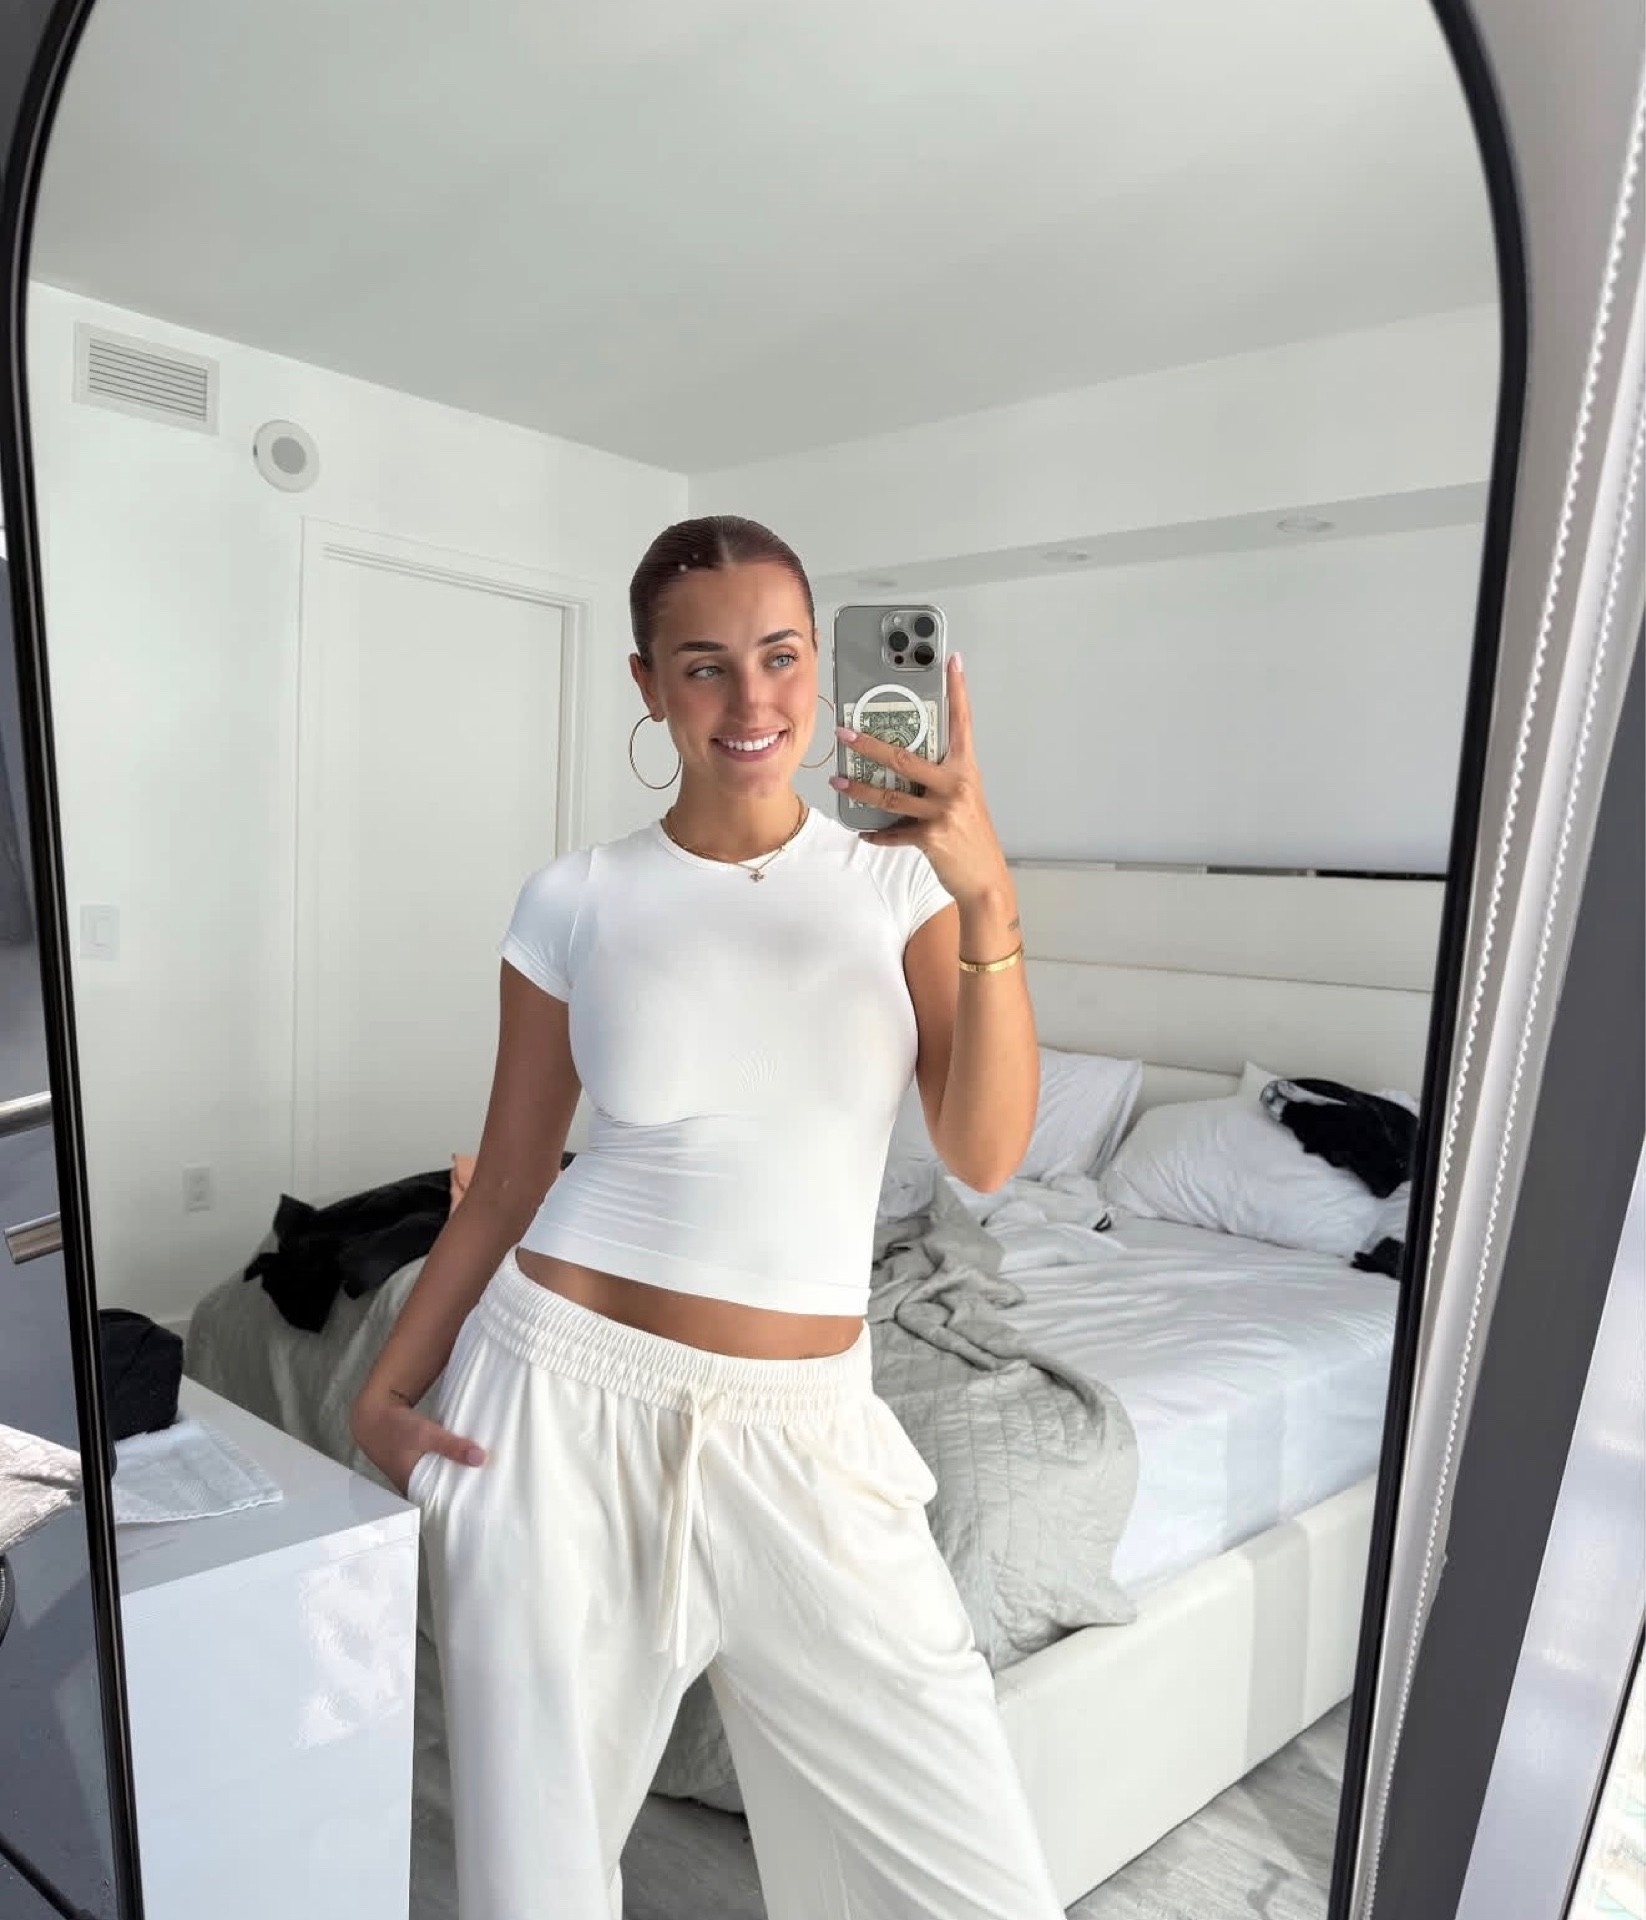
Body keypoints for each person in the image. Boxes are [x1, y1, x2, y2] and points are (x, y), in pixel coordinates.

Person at [351, 515, 1059, 1919]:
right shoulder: (575, 899)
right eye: (705, 665)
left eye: (782, 657)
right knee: (536, 1883)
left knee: (972, 1884)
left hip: (811, 1435)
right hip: (557, 1407)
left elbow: (983, 1154)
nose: (752, 700)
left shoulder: (903, 884)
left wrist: (987, 891)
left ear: (822, 667)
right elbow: (509, 1179)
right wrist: (384, 1390)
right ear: (647, 683)